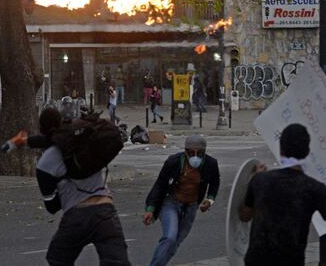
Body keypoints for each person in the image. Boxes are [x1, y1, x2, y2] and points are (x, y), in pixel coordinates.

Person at [35, 107, 131, 266]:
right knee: (117, 262)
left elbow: (52, 206)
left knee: (57, 258)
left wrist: (63, 184)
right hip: (105, 210)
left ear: (41, 129)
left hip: (76, 215)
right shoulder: (85, 142)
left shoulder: (45, 163)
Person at [239, 123, 326, 266]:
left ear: (281, 150)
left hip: (256, 260)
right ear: (307, 151)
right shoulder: (314, 188)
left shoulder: (260, 180)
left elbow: (244, 215)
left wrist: (252, 182)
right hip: (292, 261)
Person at [143, 135, 220, 266]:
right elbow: (160, 185)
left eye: (199, 153)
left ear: (204, 152)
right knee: (170, 237)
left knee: (175, 243)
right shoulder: (173, 162)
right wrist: (150, 208)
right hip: (171, 203)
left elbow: (215, 183)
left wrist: (209, 200)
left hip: (191, 206)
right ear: (185, 151)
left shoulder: (210, 164)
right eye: (191, 153)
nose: (195, 156)